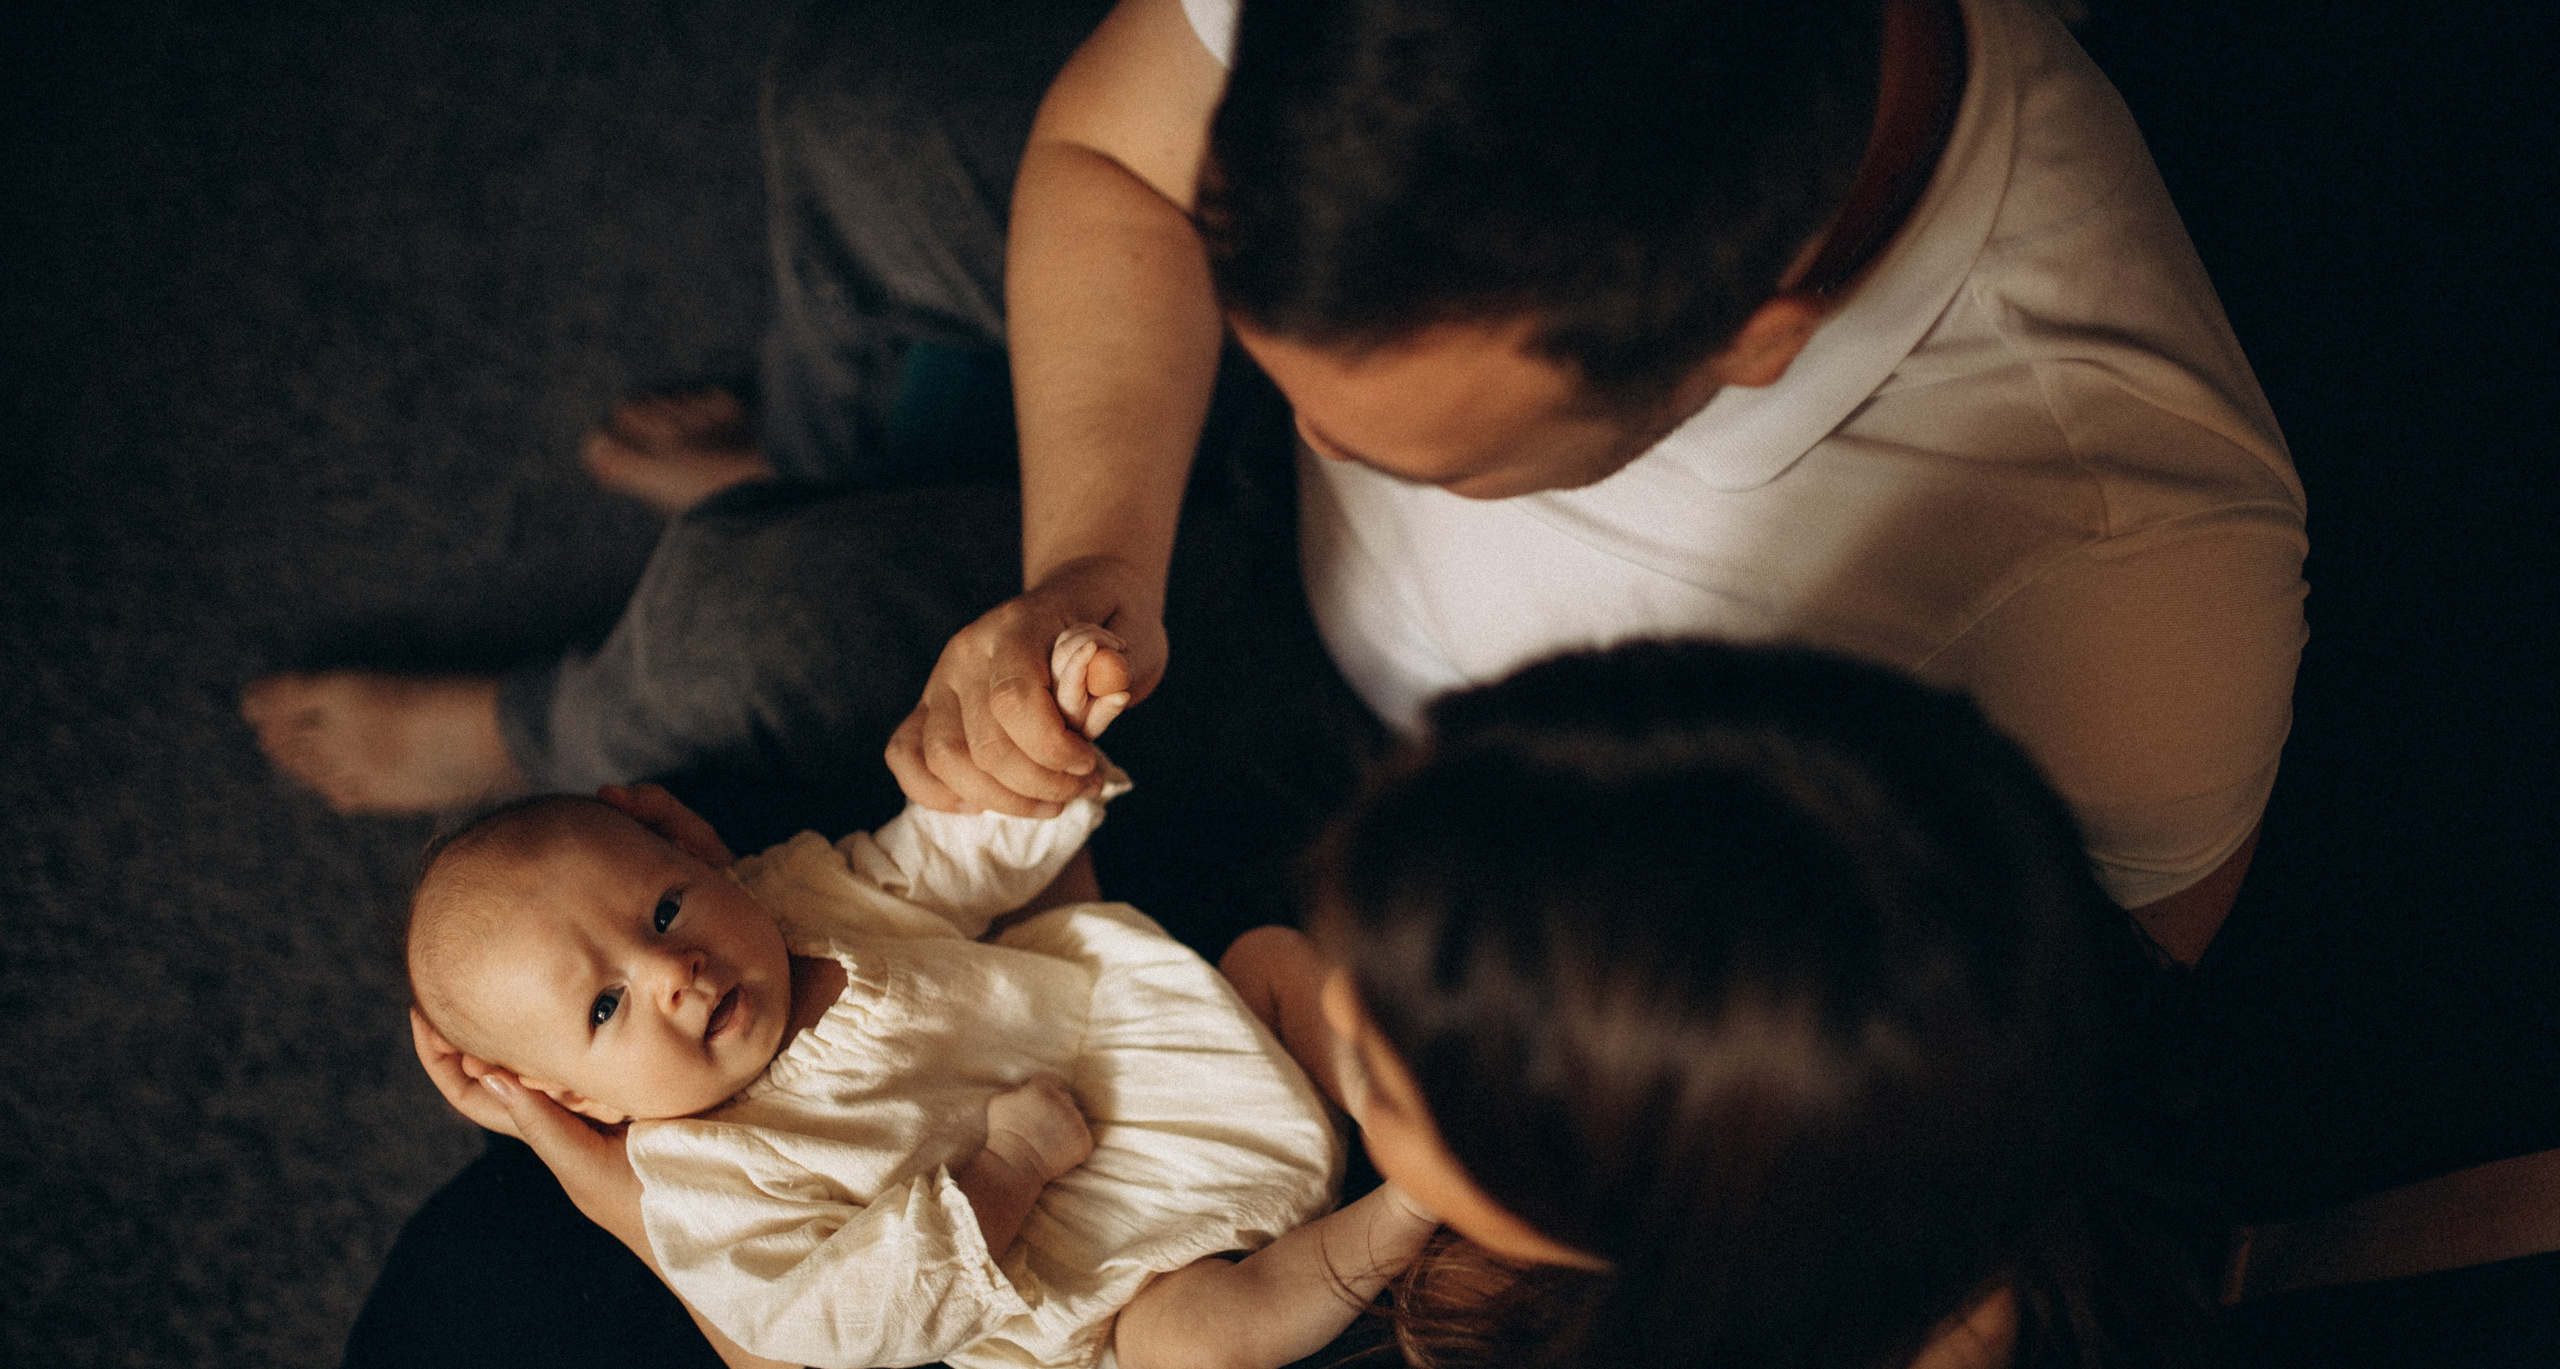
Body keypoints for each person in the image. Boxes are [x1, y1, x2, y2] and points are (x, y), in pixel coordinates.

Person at [284, 638, 2220, 1369]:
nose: (1317, 982)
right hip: (1153, 1312)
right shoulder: (1907, 1046)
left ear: (1556, 1227)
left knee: (502, 1305)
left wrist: (670, 1223)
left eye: (1374, 1050)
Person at [242, 0, 2305, 970]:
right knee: (866, 100)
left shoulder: (2117, 573)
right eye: (1299, 381)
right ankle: (878, 470)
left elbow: (2021, 1071)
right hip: (1175, 552)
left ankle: (558, 720)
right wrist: (1084, 557)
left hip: (1417, 799)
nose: (1308, 438)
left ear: (1749, 331)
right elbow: (1121, 152)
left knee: (735, 619)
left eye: (1405, 444)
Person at [398, 711, 1433, 1369]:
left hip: (1151, 1057)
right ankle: (1408, 1212)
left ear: (705, 861)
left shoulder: (800, 895)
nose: (673, 968)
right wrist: (1003, 1172)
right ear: (578, 1100)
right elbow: (839, 1310)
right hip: (1102, 1264)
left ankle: (1417, 1106)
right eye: (606, 1004)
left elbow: (942, 860)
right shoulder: (704, 1183)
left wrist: (1037, 754)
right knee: (1198, 1343)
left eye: (665, 908)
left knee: (1271, 960)